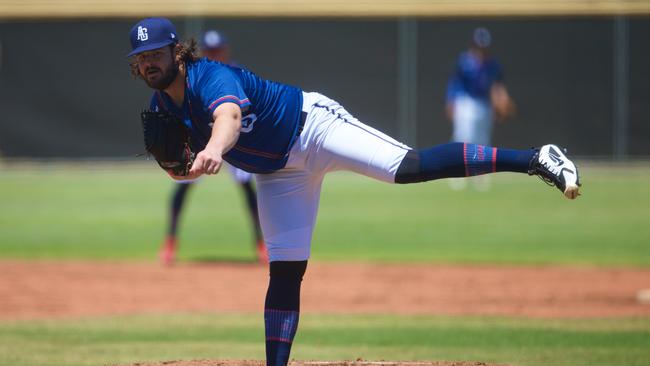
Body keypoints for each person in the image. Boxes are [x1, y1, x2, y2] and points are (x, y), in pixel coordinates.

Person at [127, 17, 581, 366]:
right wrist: (182, 169)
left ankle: (535, 157)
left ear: (176, 52)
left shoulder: (210, 76)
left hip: (313, 128)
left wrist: (211, 149)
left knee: (408, 166)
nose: (149, 62)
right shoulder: (160, 104)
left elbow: (227, 117)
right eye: (141, 57)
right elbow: (181, 169)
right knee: (285, 273)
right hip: (278, 173)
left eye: (156, 53)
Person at [159, 29, 267, 265]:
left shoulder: (236, 73)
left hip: (234, 137)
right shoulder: (194, 75)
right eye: (210, 51)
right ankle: (170, 242)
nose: (215, 54)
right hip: (202, 138)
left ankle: (262, 244)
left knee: (247, 186)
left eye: (218, 50)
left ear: (226, 50)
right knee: (184, 181)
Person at [445, 27, 516, 191]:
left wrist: (502, 100)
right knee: (462, 138)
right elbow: (454, 83)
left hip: (484, 104)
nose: (481, 49)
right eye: (478, 46)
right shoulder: (464, 61)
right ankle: (455, 173)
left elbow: (498, 86)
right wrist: (451, 101)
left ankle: (480, 176)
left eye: (483, 46)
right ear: (473, 45)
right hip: (465, 102)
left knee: (482, 142)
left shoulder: (493, 64)